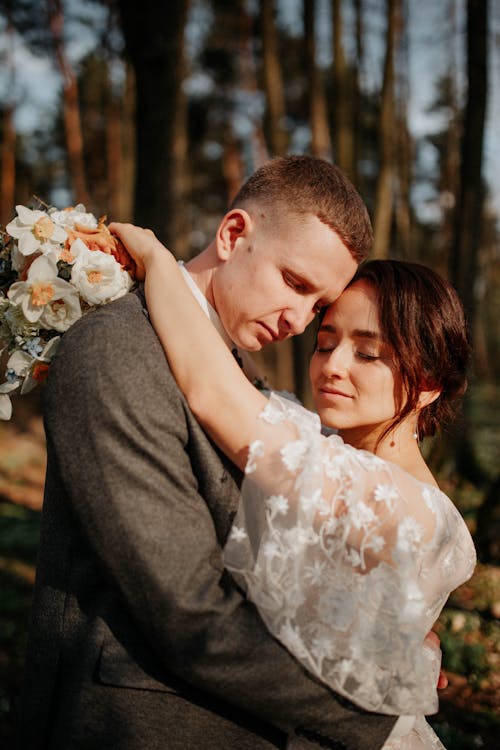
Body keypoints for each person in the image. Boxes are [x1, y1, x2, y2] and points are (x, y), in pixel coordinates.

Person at [18, 156, 402, 750]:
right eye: (295, 284)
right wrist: (371, 708)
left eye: (317, 305)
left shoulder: (241, 384)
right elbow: (187, 610)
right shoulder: (116, 351)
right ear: (233, 234)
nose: (300, 321)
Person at [106, 224, 476, 750]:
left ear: (427, 385)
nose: (333, 366)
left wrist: (159, 262)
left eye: (368, 353)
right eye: (326, 343)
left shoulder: (407, 507)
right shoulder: (317, 439)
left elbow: (216, 394)